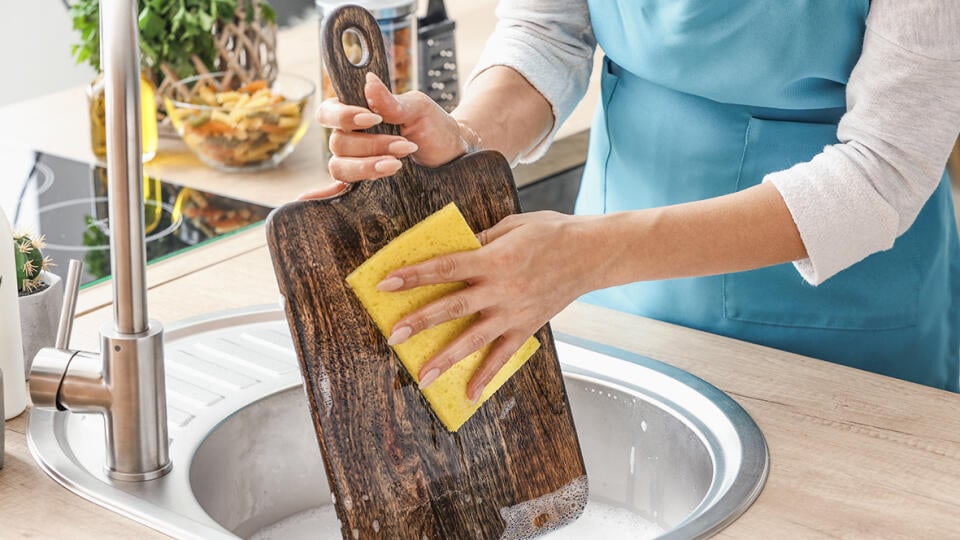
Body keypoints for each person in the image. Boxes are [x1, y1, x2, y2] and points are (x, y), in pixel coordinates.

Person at [310, 0, 960, 401]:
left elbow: (886, 168)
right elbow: (550, 28)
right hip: (611, 294)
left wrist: (592, 253)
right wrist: (468, 139)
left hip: (843, 325)